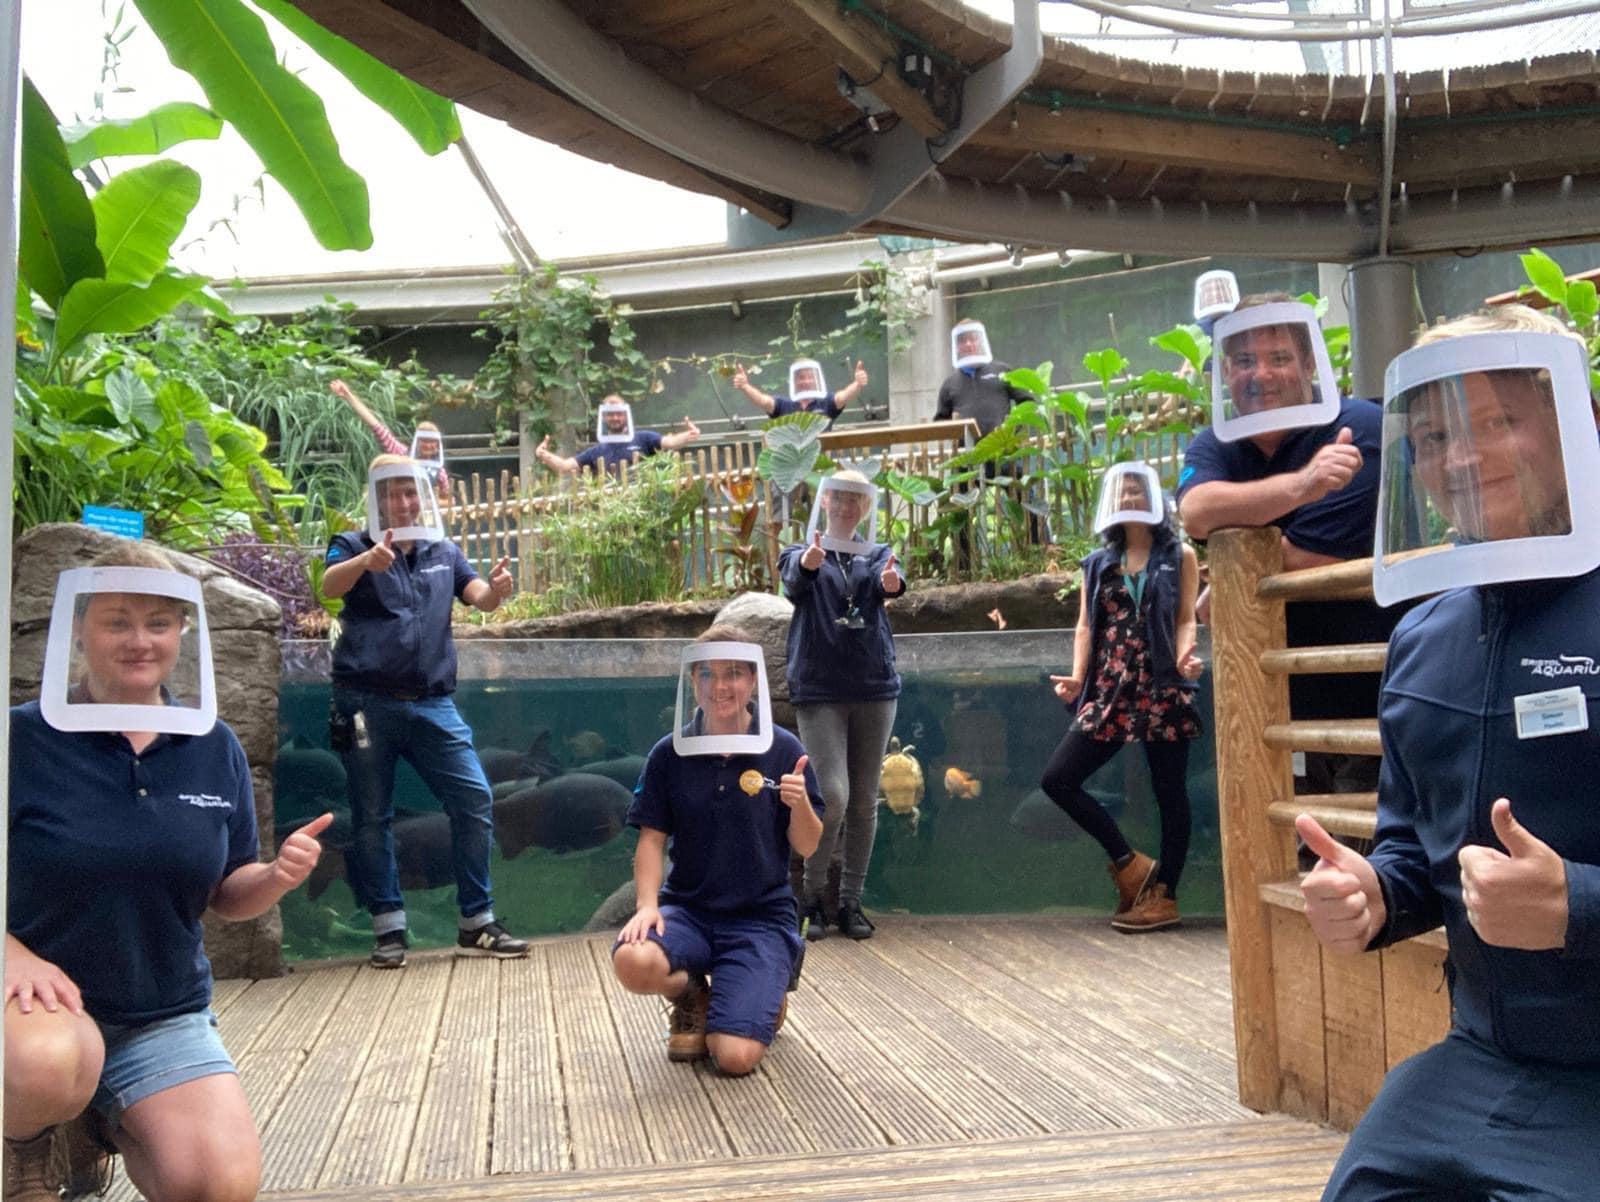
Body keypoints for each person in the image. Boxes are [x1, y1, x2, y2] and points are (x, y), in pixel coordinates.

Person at [1297, 305, 1600, 1201]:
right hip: (1479, 1058)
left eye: (1497, 421)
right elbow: (1414, 850)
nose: (1461, 459)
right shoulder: (1423, 636)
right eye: (1432, 438)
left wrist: (1577, 906)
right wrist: (1375, 896)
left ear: (1573, 423)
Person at [6, 541, 332, 1202]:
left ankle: (95, 1129)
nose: (139, 640)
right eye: (116, 620)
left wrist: (275, 876)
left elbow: (226, 894)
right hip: (35, 1011)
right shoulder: (19, 740)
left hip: (159, 1010)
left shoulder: (214, 745)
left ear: (184, 632)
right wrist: (9, 955)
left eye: (158, 622)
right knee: (49, 1063)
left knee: (219, 1184)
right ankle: (25, 1146)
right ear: (79, 627)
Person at [1177, 292, 1396, 798]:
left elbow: (1313, 557)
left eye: (1279, 358)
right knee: (1291, 856)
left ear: (1307, 362)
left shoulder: (1356, 425)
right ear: (1225, 372)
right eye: (1245, 361)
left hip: (1373, 696)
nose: (1262, 375)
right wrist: (1304, 487)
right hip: (1273, 701)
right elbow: (1197, 510)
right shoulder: (1216, 442)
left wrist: (1229, 574)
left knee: (1366, 858)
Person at [322, 455, 529, 968]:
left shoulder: (444, 549)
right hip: (365, 704)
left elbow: (477, 596)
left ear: (423, 495)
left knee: (475, 798)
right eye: (392, 493)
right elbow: (328, 586)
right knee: (372, 815)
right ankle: (388, 928)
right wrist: (365, 564)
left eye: (411, 492)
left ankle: (476, 921)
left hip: (434, 702)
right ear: (375, 497)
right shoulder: (352, 543)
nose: (404, 501)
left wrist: (497, 591)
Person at [611, 627, 824, 1076]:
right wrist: (647, 906)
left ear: (753, 682)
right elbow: (651, 839)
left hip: (760, 916)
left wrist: (799, 802)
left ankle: (763, 986)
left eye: (734, 674)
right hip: (688, 910)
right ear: (692, 683)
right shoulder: (668, 754)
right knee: (632, 960)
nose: (721, 686)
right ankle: (694, 994)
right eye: (707, 674)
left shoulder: (785, 749)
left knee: (734, 1058)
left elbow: (807, 844)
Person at [1040, 463, 1204, 931]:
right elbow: (1087, 625)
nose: (1131, 496)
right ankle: (1129, 865)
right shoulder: (1098, 562)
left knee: (1169, 790)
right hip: (1111, 686)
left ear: (1155, 498)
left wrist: (1187, 656)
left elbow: (1186, 618)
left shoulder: (1180, 555)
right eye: (1123, 490)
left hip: (1162, 684)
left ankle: (1165, 894)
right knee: (1058, 779)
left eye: (1138, 489)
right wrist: (1076, 678)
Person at [778, 470, 906, 941]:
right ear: (825, 500)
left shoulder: (877, 555)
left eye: (857, 499)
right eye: (839, 497)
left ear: (865, 507)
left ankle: (851, 901)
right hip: (820, 689)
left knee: (865, 801)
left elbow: (891, 583)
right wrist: (811, 560)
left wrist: (892, 582)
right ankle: (811, 894)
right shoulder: (797, 550)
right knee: (833, 794)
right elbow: (794, 581)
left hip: (874, 686)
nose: (847, 505)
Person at [330, 378, 450, 497]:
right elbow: (377, 427)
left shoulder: (440, 472)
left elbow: (449, 500)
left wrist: (428, 504)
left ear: (437, 445)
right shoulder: (402, 455)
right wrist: (348, 395)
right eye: (424, 441)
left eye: (432, 442)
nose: (428, 445)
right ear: (417, 442)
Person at [534, 397, 700, 478]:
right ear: (604, 418)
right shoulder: (596, 451)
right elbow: (564, 466)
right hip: (612, 514)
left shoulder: (644, 439)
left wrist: (689, 434)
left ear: (626, 415)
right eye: (610, 414)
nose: (615, 417)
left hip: (646, 506)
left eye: (619, 413)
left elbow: (670, 442)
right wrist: (544, 455)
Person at [731, 359, 868, 428]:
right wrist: (745, 387)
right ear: (794, 380)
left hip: (819, 468)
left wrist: (857, 384)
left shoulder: (826, 402)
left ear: (817, 379)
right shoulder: (784, 405)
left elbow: (843, 396)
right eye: (801, 377)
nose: (806, 381)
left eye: (810, 376)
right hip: (789, 470)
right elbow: (763, 401)